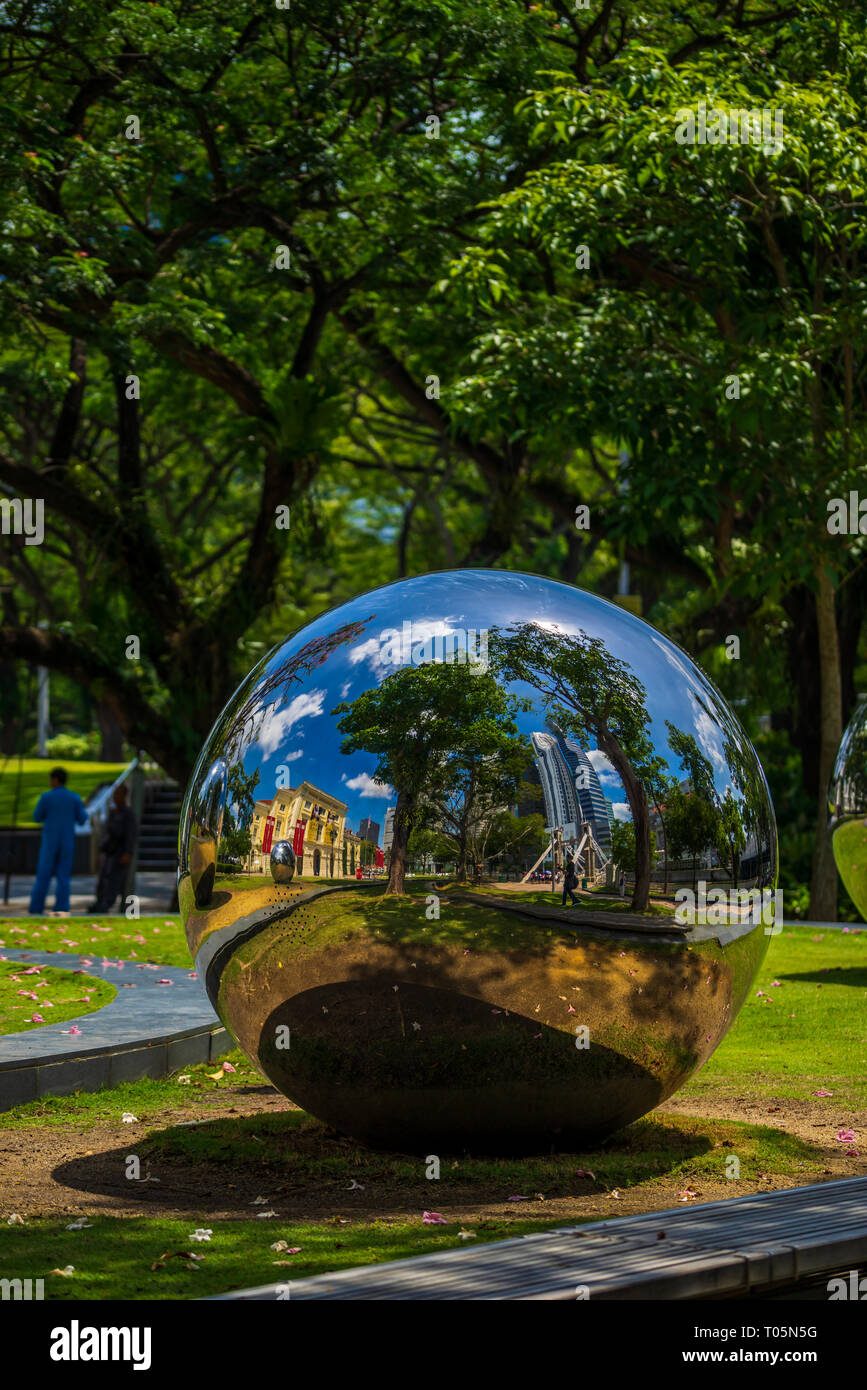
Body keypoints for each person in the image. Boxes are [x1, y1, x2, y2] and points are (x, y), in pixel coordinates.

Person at [29, 767, 88, 916]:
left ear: (55, 779)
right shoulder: (74, 798)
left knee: (43, 875)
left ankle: (36, 907)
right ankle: (62, 906)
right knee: (64, 876)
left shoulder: (46, 797)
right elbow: (82, 819)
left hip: (50, 841)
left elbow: (37, 817)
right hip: (67, 841)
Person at [89, 783, 137, 913]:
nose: (115, 797)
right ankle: (99, 903)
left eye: (118, 794)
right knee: (103, 880)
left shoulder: (128, 814)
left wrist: (127, 852)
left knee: (114, 881)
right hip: (108, 852)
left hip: (119, 852)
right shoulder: (113, 812)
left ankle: (106, 905)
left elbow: (130, 835)